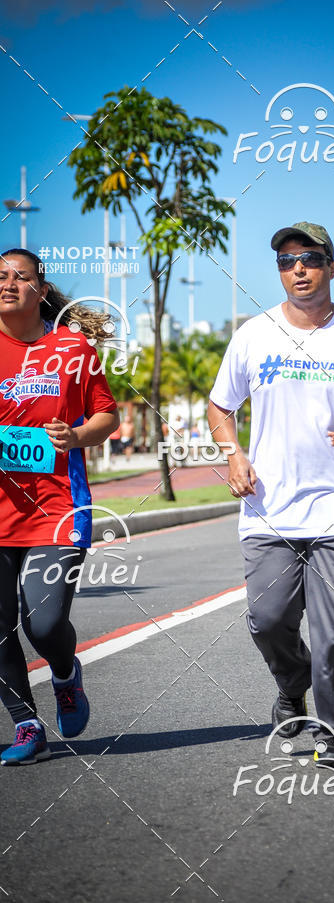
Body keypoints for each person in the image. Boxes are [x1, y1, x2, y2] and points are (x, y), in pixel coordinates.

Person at [207, 222, 334, 767]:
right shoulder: (254, 334)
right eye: (286, 260)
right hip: (269, 506)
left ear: (331, 267)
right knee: (268, 619)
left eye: (310, 258)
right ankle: (292, 682)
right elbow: (220, 406)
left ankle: (332, 725)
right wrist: (234, 454)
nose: (297, 268)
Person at [0, 249, 119, 765]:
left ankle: (66, 674)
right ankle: (27, 725)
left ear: (41, 290)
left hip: (58, 508)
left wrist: (73, 436)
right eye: (0, 276)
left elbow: (107, 416)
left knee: (43, 624)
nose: (8, 284)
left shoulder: (72, 347)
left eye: (19, 277)